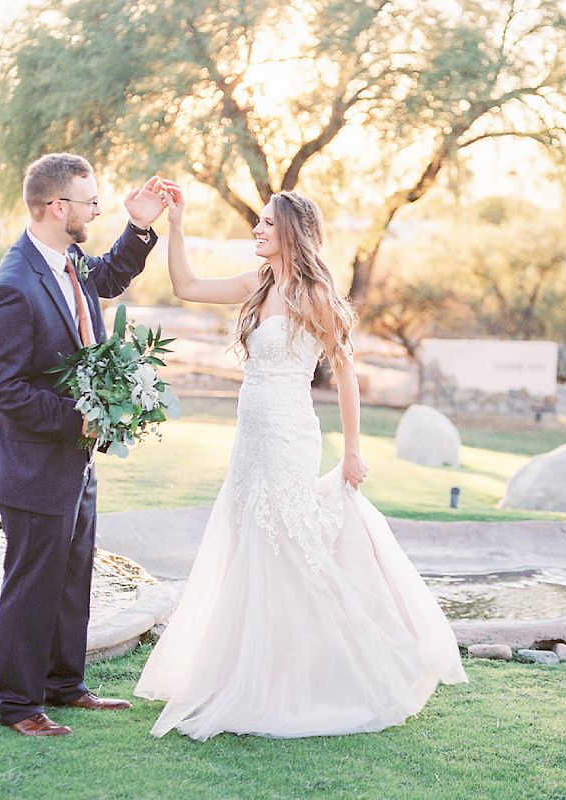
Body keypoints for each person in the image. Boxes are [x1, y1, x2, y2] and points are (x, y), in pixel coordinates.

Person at [134, 185, 467, 740]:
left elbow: (346, 378)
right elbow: (186, 286)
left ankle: (336, 671)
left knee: (289, 547)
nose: (258, 230)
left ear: (291, 232)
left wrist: (353, 451)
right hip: (252, 437)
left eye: (267, 224)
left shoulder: (315, 297)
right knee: (250, 541)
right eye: (258, 222)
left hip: (289, 435)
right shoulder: (257, 285)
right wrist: (176, 224)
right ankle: (253, 670)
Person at [0, 153, 167, 736]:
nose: (96, 210)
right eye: (91, 203)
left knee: (72, 574)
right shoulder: (13, 285)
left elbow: (107, 277)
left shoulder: (69, 259)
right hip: (34, 462)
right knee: (32, 585)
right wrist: (77, 419)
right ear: (58, 207)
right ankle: (18, 706)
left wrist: (138, 228)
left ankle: (64, 685)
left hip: (73, 461)